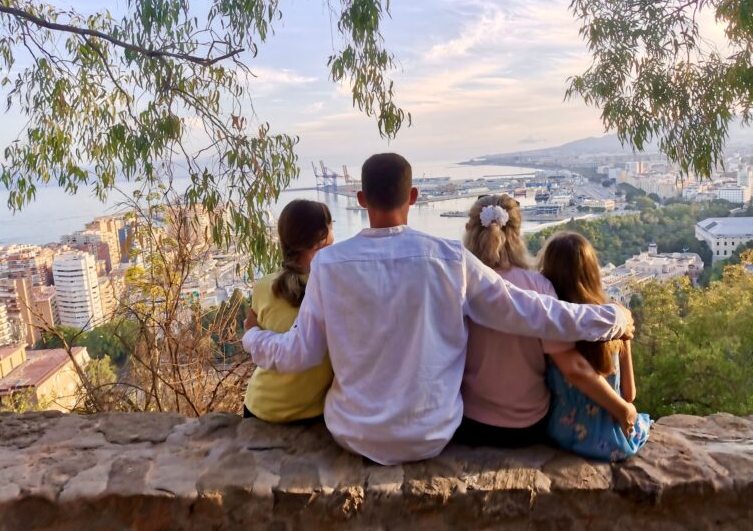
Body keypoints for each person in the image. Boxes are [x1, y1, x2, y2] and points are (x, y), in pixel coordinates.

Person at [243, 153, 634, 466]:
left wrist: (253, 337)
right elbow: (532, 311)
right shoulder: (449, 258)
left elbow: (300, 353)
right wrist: (613, 318)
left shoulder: (329, 266)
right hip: (432, 435)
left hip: (352, 434)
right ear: (412, 197)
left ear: (361, 200)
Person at [456, 195, 637, 447]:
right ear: (517, 234)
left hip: (470, 421)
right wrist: (622, 409)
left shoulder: (459, 286)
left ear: (469, 231)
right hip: (526, 426)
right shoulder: (538, 286)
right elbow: (572, 367)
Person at [539, 231, 650, 461]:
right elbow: (629, 394)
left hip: (558, 432)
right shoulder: (614, 320)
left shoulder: (548, 324)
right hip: (611, 439)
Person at [243, 199, 335, 423]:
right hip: (310, 412)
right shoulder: (334, 288)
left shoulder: (263, 287)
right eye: (332, 226)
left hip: (259, 406)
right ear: (323, 237)